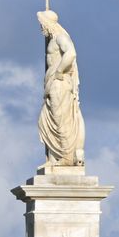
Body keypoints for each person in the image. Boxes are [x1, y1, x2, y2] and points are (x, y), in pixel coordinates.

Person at [36, 9, 86, 167]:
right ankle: (53, 158)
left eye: (42, 23)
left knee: (60, 119)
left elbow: (71, 54)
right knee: (49, 118)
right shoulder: (53, 39)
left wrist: (58, 71)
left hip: (59, 82)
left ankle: (65, 157)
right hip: (53, 82)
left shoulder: (60, 38)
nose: (41, 27)